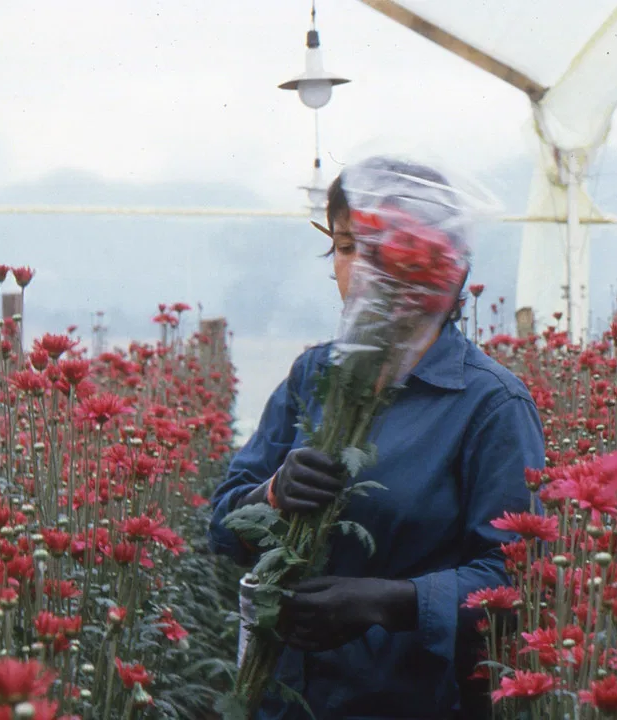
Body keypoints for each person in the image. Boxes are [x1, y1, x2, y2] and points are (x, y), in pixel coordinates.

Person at [208, 157, 545, 719]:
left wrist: (387, 602)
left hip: (412, 702)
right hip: (286, 698)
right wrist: (269, 495)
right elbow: (221, 527)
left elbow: (516, 581)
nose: (361, 268)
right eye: (345, 246)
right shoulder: (312, 376)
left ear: (438, 265)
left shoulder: (489, 404)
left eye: (384, 250)